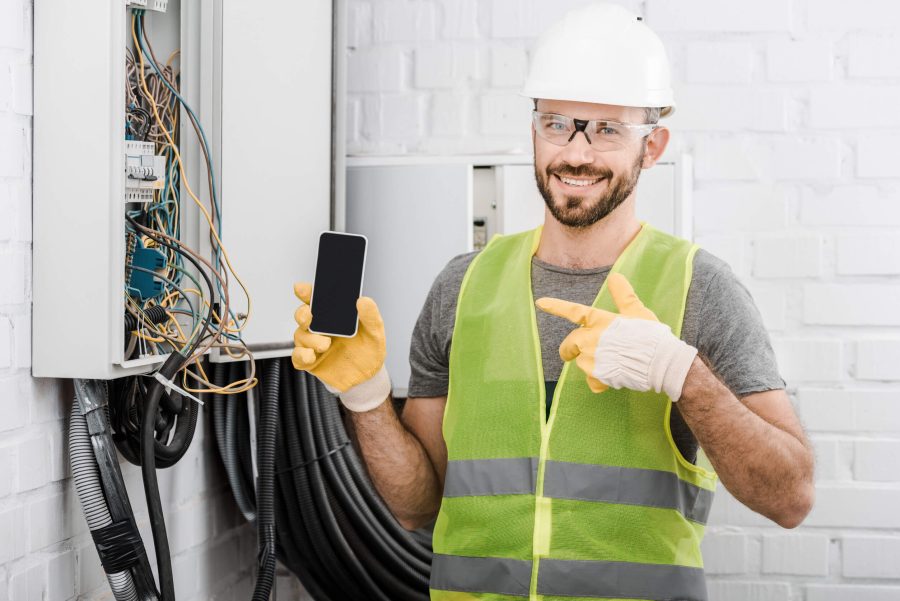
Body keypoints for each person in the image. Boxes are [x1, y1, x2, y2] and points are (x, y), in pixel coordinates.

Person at [292, 4, 815, 600]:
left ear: (653, 146)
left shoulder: (700, 288)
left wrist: (681, 374)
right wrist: (365, 396)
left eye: (608, 129)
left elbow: (790, 499)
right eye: (558, 123)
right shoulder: (462, 288)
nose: (577, 152)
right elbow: (418, 506)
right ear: (534, 128)